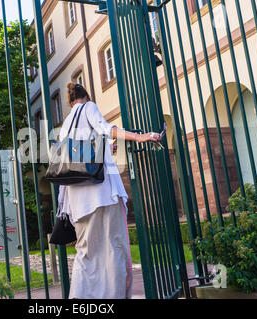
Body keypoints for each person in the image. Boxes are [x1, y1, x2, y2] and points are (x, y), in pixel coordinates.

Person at [57, 83, 160, 299]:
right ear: (85, 96)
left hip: (77, 202)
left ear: (69, 101)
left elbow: (78, 155)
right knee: (115, 249)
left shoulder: (66, 123)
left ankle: (78, 299)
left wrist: (105, 149)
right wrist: (140, 137)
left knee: (85, 253)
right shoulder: (89, 107)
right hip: (102, 195)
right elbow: (106, 129)